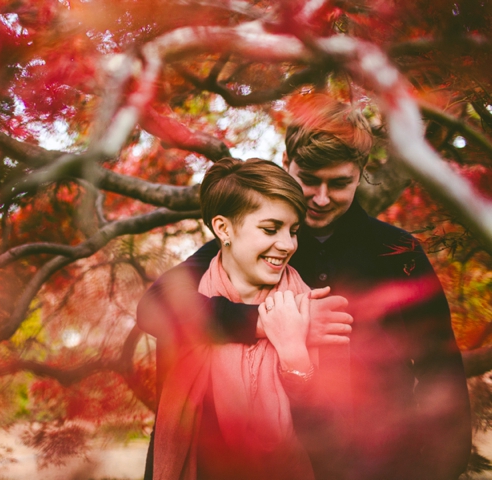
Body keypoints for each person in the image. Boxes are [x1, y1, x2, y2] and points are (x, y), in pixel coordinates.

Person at [138, 94, 471, 480]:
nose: (321, 197)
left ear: (361, 172)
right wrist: (262, 323)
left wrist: (437, 467)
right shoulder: (257, 247)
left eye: (339, 183)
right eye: (308, 181)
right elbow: (155, 308)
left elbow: (438, 368)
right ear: (286, 164)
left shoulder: (397, 253)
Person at [150, 157, 319, 480]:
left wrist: (294, 352)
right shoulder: (184, 311)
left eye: (294, 231)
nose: (287, 245)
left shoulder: (308, 303)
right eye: (270, 229)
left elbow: (330, 427)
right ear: (223, 228)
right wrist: (258, 323)